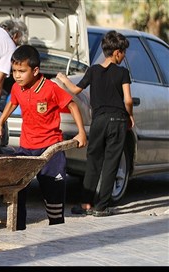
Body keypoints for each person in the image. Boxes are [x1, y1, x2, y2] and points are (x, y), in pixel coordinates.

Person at [0, 45, 87, 229]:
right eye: (14, 71)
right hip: (26, 148)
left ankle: (56, 229)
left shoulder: (50, 88)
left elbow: (73, 106)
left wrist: (81, 132)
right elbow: (12, 103)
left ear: (35, 71)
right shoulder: (17, 88)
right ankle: (18, 230)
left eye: (21, 71)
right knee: (19, 191)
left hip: (50, 150)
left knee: (53, 195)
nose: (17, 75)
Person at [56, 30, 135, 217]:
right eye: (123, 53)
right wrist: (130, 116)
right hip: (117, 121)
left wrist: (63, 79)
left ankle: (85, 204)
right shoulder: (123, 73)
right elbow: (128, 100)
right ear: (117, 52)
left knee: (93, 162)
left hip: (98, 121)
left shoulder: (93, 71)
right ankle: (101, 206)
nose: (124, 57)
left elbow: (75, 89)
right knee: (111, 163)